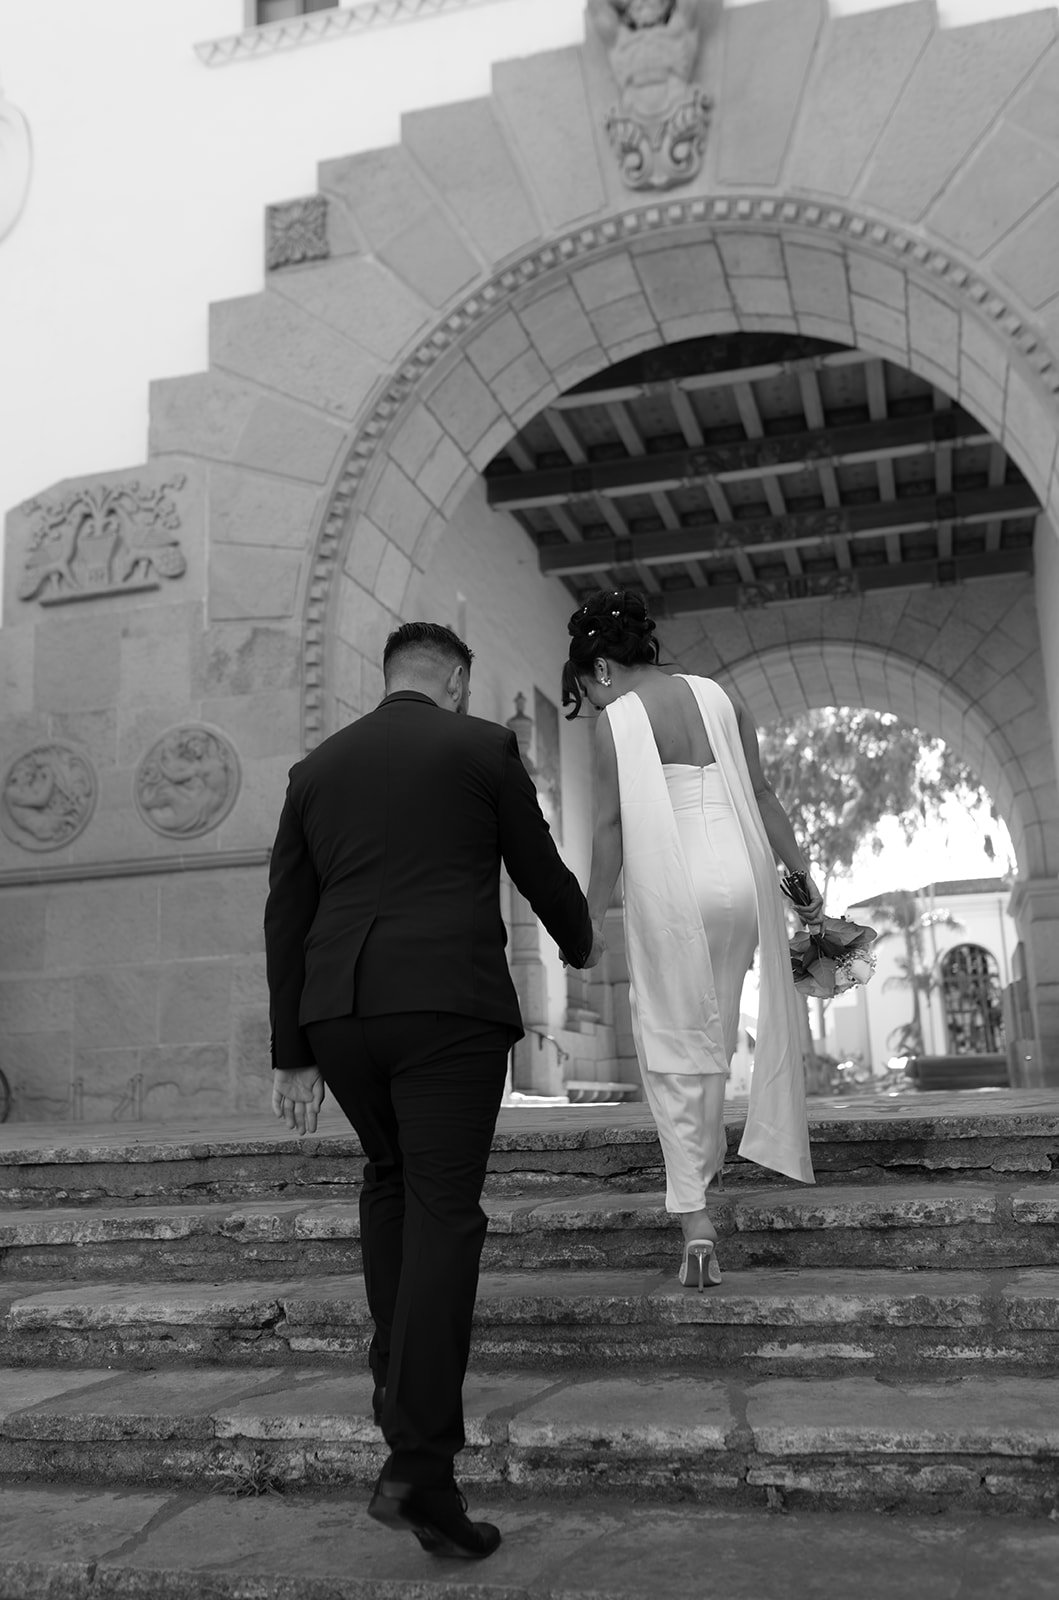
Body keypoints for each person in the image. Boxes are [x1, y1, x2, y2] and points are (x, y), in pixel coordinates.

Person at [265, 621, 596, 1560]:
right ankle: (415, 1457)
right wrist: (580, 941)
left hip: (340, 1017)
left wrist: (293, 1050)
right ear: (453, 680)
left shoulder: (316, 769)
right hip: (445, 1009)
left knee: (390, 1185)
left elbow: (286, 912)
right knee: (445, 1211)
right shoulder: (482, 744)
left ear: (390, 680)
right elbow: (537, 867)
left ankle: (402, 1404)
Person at [561, 590, 823, 1289]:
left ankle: (695, 1218)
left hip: (673, 891)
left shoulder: (615, 720)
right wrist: (801, 883)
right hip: (740, 886)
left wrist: (586, 921)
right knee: (710, 1033)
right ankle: (702, 1170)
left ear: (601, 670)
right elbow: (763, 796)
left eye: (586, 687)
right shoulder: (717, 696)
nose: (590, 698)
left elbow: (612, 829)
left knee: (675, 1046)